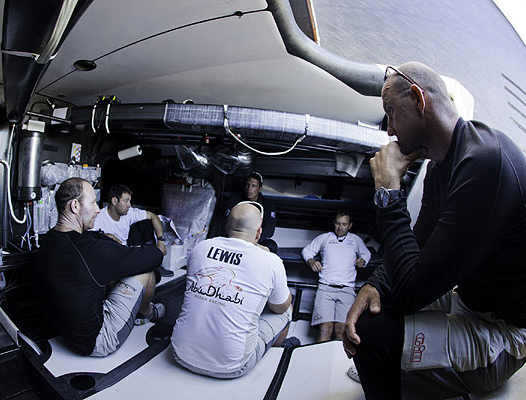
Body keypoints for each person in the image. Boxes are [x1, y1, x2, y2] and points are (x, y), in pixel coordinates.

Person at [343, 62, 526, 399]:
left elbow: (415, 290)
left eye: (391, 112)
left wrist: (387, 193)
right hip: (468, 302)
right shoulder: (442, 168)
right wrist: (375, 283)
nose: (389, 130)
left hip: (504, 333)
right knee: (377, 303)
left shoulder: (486, 163)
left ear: (418, 99)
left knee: (371, 335)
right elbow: (418, 245)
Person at [33, 177, 165, 357]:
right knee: (145, 271)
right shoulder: (89, 251)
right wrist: (160, 244)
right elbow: (153, 258)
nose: (97, 210)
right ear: (75, 206)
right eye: (93, 203)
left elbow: (92, 239)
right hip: (96, 340)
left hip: (65, 330)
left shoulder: (50, 240)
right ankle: (148, 312)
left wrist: (106, 237)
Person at [172, 201, 296, 378]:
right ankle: (272, 361)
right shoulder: (271, 261)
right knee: (286, 309)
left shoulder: (201, 248)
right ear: (259, 232)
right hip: (231, 367)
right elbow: (280, 307)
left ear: (226, 226)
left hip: (180, 354)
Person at [302, 210, 371, 342]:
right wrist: (311, 261)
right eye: (338, 224)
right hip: (325, 288)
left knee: (341, 330)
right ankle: (319, 362)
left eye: (344, 224)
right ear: (334, 223)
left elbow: (366, 254)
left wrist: (363, 261)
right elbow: (307, 250)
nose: (340, 227)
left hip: (347, 290)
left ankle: (339, 363)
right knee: (325, 328)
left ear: (350, 225)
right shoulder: (325, 238)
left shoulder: (355, 240)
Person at [93, 184, 173, 277]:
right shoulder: (98, 219)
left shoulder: (129, 212)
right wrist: (108, 237)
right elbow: (90, 240)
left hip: (127, 251)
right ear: (114, 201)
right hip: (113, 258)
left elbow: (153, 216)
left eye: (129, 201)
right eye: (126, 201)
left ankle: (155, 262)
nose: (129, 205)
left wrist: (161, 240)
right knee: (154, 276)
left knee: (146, 222)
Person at [223, 172, 278, 253]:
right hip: (234, 238)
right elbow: (226, 222)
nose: (249, 189)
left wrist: (251, 241)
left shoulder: (267, 204)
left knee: (271, 245)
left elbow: (269, 229)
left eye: (253, 186)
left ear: (260, 188)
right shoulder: (234, 201)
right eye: (247, 185)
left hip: (255, 241)